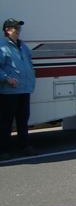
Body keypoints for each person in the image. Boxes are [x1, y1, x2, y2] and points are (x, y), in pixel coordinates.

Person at [0, 18, 36, 158]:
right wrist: (6, 78)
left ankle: (25, 146)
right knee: (5, 122)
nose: (18, 31)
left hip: (24, 89)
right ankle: (3, 150)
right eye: (16, 28)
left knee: (23, 120)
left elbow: (29, 61)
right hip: (9, 91)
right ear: (7, 30)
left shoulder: (23, 46)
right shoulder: (2, 46)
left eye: (19, 28)